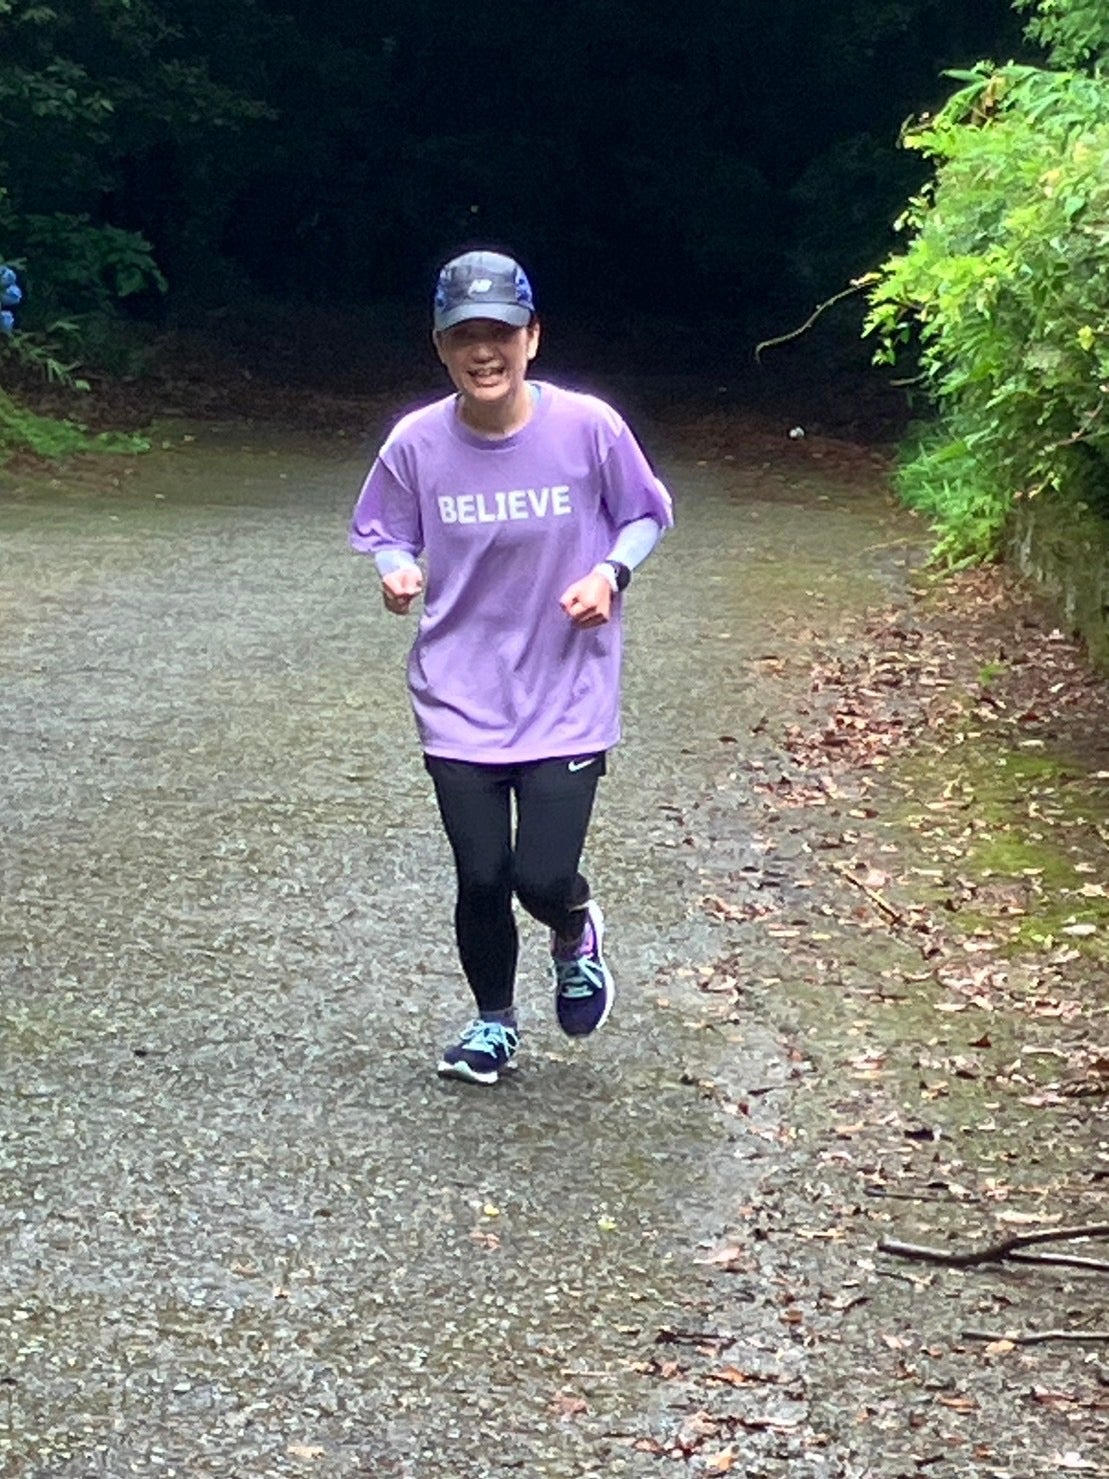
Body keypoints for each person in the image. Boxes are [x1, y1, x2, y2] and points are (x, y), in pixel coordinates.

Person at [350, 249, 673, 1085]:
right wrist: (395, 567)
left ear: (532, 337)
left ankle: (572, 927)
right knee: (481, 874)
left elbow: (644, 514)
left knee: (540, 875)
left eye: (499, 332)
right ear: (440, 346)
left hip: (566, 687)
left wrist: (609, 574)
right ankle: (492, 1022)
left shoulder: (588, 427)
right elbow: (384, 529)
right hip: (458, 692)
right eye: (464, 335)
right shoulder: (416, 442)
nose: (483, 351)